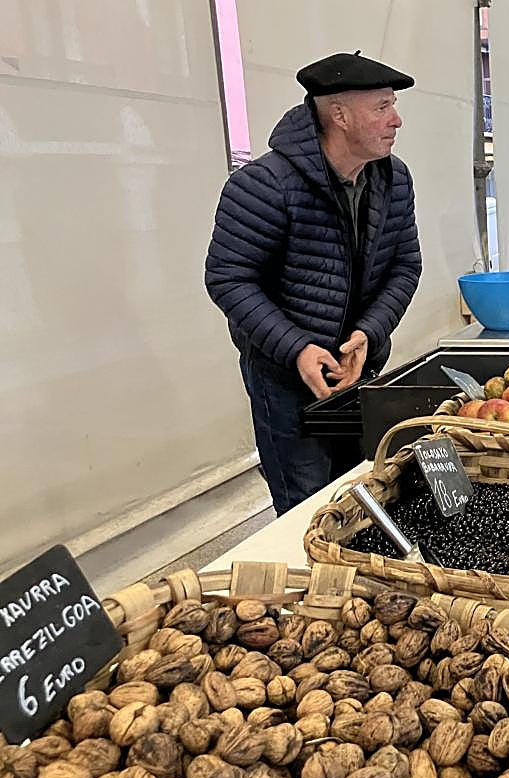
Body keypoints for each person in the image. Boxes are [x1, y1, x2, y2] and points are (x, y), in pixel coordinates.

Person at [205, 52, 423, 516]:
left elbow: (405, 265)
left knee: (360, 491)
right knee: (307, 505)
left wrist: (370, 331)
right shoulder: (263, 185)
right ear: (339, 115)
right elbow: (229, 277)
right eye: (382, 107)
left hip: (358, 372)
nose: (396, 120)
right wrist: (298, 348)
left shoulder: (392, 178)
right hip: (286, 380)